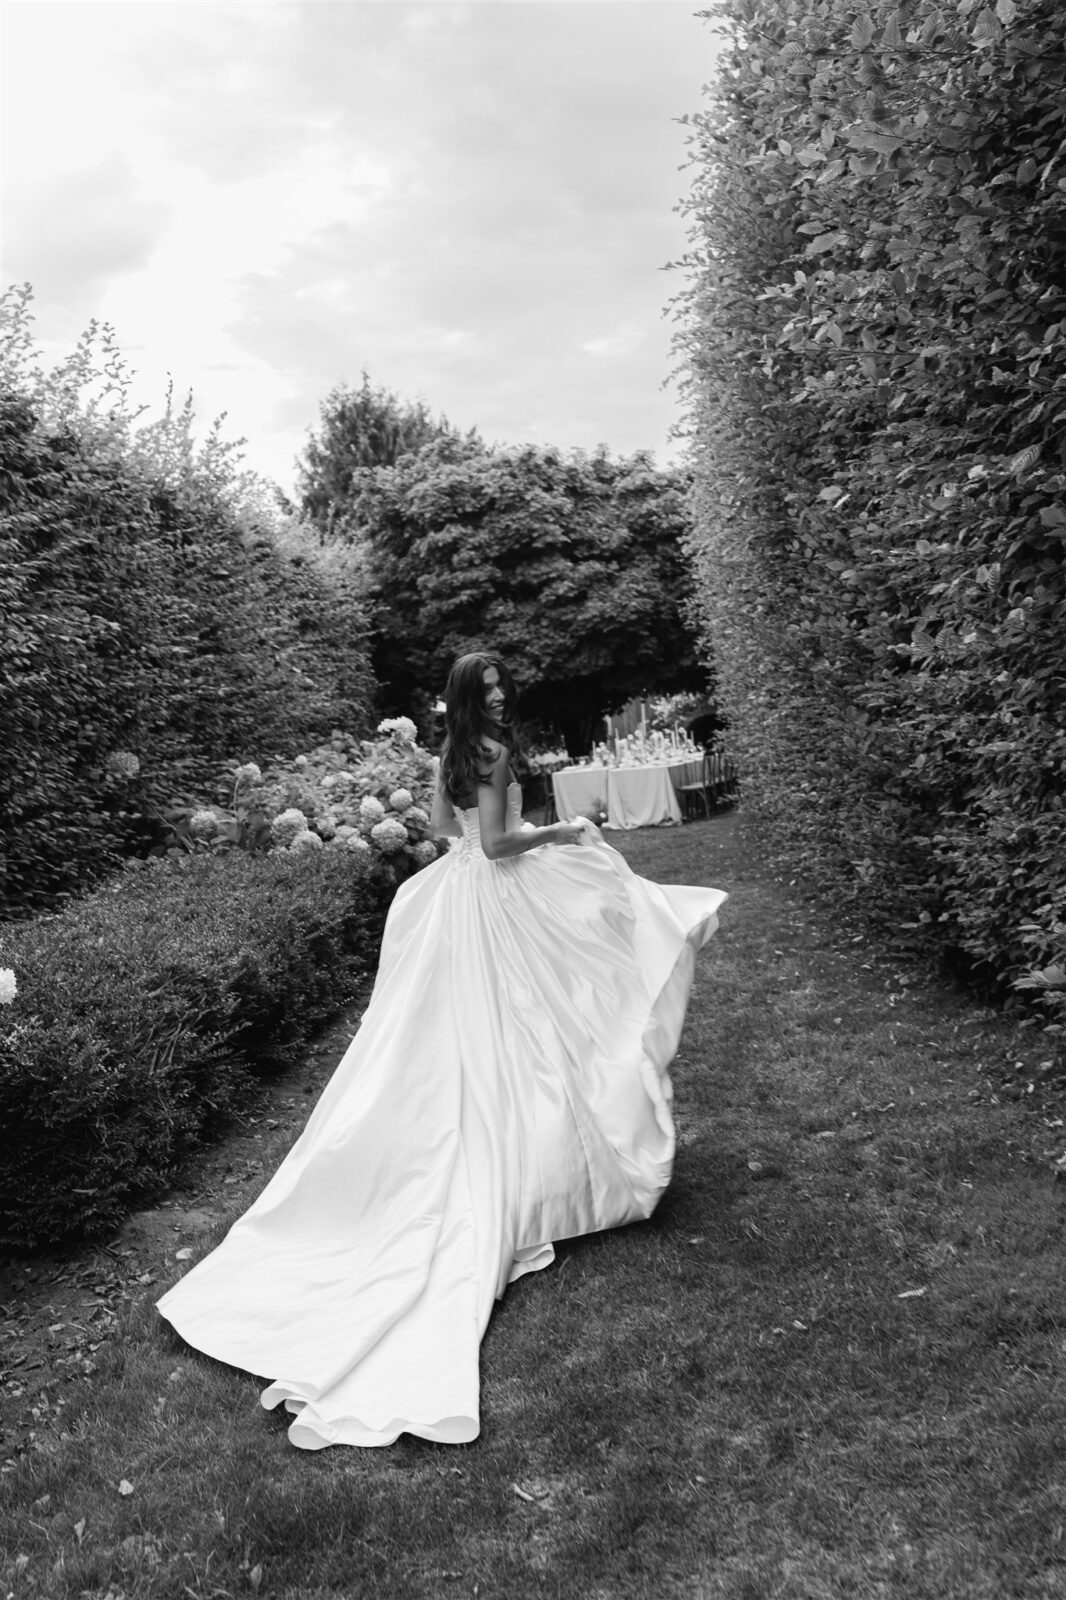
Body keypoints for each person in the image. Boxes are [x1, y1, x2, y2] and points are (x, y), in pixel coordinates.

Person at [156, 651, 726, 1449]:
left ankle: (511, 1144)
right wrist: (560, 830)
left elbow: (437, 833)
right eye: (488, 689)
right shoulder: (489, 753)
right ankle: (531, 1159)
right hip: (490, 895)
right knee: (527, 1021)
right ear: (470, 699)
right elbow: (493, 848)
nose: (500, 696)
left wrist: (497, 830)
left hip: (453, 897)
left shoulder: (449, 755)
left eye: (501, 686)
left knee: (473, 1032)